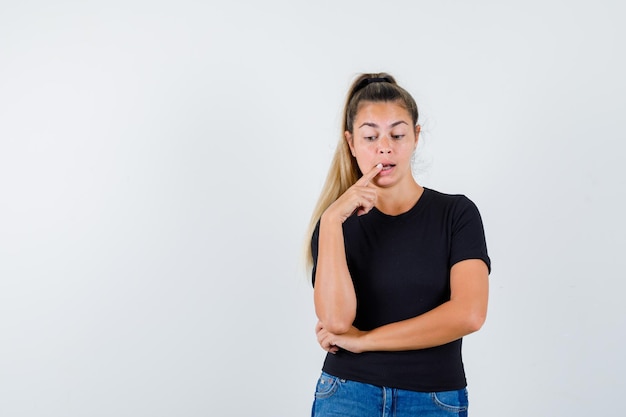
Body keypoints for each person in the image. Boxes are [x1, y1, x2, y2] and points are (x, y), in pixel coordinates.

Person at [305, 73, 491, 416]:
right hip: (347, 396)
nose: (385, 147)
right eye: (371, 136)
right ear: (351, 142)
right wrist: (331, 222)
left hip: (433, 399)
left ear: (416, 136)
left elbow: (469, 313)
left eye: (398, 134)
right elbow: (335, 321)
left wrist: (365, 341)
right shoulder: (334, 225)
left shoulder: (456, 214)